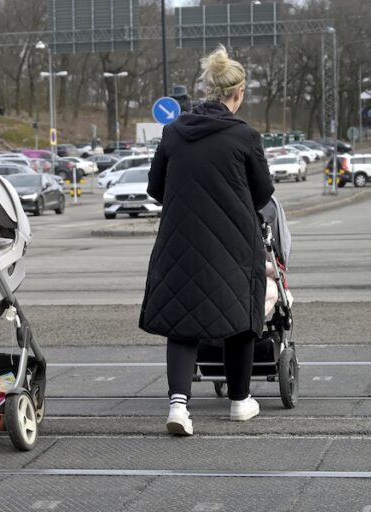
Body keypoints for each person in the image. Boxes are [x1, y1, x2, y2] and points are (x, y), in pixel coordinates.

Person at [139, 45, 275, 436]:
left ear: (207, 91)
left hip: (179, 240)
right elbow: (262, 194)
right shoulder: (245, 137)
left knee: (182, 323)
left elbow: (155, 188)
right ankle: (239, 401)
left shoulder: (173, 133)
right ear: (238, 93)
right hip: (234, 242)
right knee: (240, 320)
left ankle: (179, 406)